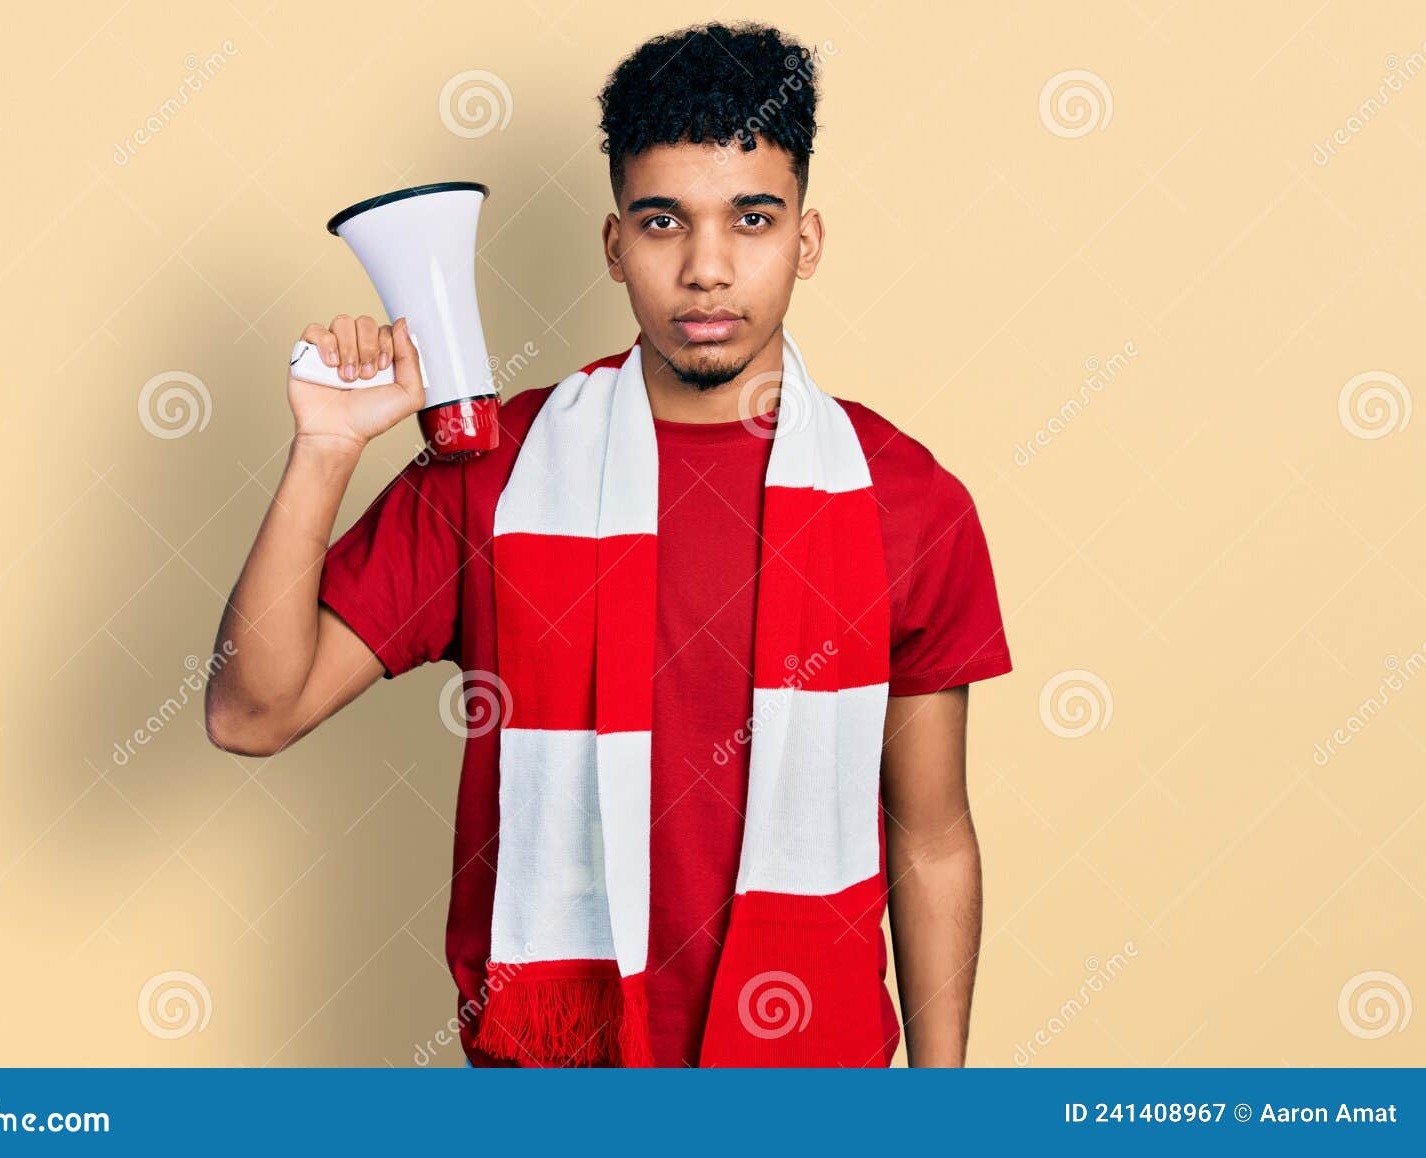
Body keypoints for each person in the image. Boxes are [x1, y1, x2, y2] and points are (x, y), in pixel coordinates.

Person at [205, 20, 1012, 1068]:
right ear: (614, 243)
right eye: (664, 221)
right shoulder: (492, 476)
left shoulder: (907, 499)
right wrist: (324, 449)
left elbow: (930, 833)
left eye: (751, 219)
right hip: (556, 1080)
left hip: (818, 1080)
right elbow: (251, 713)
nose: (707, 268)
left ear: (805, 241)